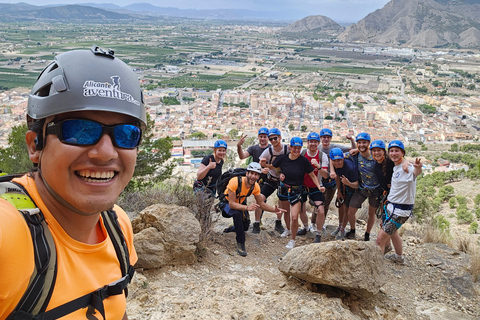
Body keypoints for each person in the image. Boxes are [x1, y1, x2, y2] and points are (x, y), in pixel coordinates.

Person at [0, 46, 141, 319]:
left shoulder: (117, 226)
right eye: (78, 130)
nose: (106, 153)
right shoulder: (8, 236)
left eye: (126, 134)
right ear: (35, 146)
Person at [222, 162, 285, 256]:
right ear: (247, 173)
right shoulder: (235, 181)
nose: (253, 176)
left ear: (259, 176)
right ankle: (240, 243)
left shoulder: (255, 187)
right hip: (226, 204)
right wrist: (247, 208)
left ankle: (231, 229)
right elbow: (231, 204)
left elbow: (261, 204)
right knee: (237, 213)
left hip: (240, 204)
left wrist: (274, 210)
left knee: (245, 227)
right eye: (251, 173)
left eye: (256, 174)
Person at [376, 141, 422, 264]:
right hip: (392, 207)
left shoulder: (407, 168)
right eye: (391, 151)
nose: (394, 153)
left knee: (380, 240)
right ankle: (399, 257)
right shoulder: (396, 166)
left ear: (402, 152)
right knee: (393, 233)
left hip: (400, 211)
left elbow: (415, 173)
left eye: (397, 150)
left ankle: (376, 269)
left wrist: (418, 167)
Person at [272, 137, 323, 249]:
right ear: (290, 147)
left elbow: (312, 175)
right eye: (295, 148)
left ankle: (292, 240)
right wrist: (278, 172)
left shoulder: (303, 161)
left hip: (297, 190)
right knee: (286, 212)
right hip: (284, 188)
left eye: (299, 148)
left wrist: (319, 186)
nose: (296, 150)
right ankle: (288, 229)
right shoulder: (283, 158)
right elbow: (273, 167)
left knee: (294, 217)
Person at [343, 132, 381, 241]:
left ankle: (367, 234)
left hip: (375, 190)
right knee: (351, 211)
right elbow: (339, 157)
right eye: (359, 143)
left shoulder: (375, 157)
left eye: (364, 142)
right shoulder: (355, 155)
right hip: (362, 188)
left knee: (371, 213)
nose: (361, 145)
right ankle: (353, 230)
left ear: (369, 143)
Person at [318, 128, 356, 235]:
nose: (326, 139)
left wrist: (352, 140)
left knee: (339, 203)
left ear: (330, 138)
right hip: (322, 179)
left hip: (337, 179)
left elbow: (352, 149)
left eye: (328, 137)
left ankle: (340, 226)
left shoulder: (336, 147)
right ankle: (317, 225)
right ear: (321, 138)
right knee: (320, 203)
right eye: (324, 137)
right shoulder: (317, 148)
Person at [236, 127, 270, 232]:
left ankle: (257, 221)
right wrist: (239, 145)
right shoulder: (254, 148)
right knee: (250, 199)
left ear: (267, 137)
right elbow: (242, 156)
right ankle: (247, 221)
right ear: (258, 137)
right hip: (254, 179)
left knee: (262, 200)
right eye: (261, 136)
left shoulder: (272, 149)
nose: (263, 139)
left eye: (264, 137)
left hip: (268, 180)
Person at [296, 132, 329, 238]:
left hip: (316, 186)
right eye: (311, 142)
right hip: (302, 186)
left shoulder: (322, 156)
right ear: (307, 143)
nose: (313, 144)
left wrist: (318, 166)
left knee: (321, 209)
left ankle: (318, 233)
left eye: (315, 142)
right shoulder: (302, 153)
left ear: (318, 143)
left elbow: (325, 175)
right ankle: (305, 228)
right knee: (301, 209)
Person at [258, 128, 289, 234]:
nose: (273, 141)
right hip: (271, 179)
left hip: (283, 180)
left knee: (282, 202)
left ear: (280, 137)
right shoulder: (268, 151)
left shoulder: (287, 149)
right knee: (260, 198)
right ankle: (257, 223)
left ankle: (278, 222)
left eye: (275, 138)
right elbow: (260, 163)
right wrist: (263, 167)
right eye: (271, 139)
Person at [330, 148, 359, 240]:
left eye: (339, 160)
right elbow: (338, 177)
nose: (337, 163)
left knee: (347, 209)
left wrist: (348, 184)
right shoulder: (335, 165)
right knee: (340, 206)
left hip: (353, 188)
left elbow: (357, 185)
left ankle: (343, 229)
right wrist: (339, 191)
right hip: (344, 186)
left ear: (343, 159)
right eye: (335, 161)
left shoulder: (351, 168)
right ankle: (340, 225)